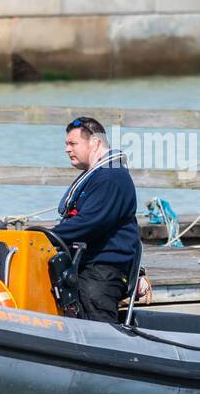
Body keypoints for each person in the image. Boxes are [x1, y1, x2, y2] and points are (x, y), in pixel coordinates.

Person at [52, 117, 139, 323]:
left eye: (72, 144)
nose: (67, 149)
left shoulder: (111, 177)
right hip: (83, 265)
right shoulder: (96, 175)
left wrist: (46, 236)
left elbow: (89, 223)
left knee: (99, 329)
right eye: (66, 144)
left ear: (95, 143)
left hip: (101, 271)